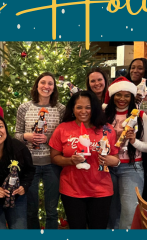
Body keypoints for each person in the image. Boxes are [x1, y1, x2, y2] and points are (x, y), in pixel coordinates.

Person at [49, 91, 119, 229]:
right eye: (79, 107)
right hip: (72, 190)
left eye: (88, 107)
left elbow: (116, 158)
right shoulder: (62, 129)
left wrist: (111, 161)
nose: (83, 111)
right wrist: (70, 161)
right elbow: (54, 158)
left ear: (94, 108)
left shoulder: (107, 129)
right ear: (73, 109)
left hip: (101, 190)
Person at [14, 72, 66, 229]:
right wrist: (26, 136)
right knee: (31, 210)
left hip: (53, 164)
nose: (46, 86)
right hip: (30, 166)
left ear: (54, 87)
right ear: (37, 86)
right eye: (43, 82)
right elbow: (16, 135)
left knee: (52, 211)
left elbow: (65, 136)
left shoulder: (60, 109)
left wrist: (49, 140)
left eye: (50, 83)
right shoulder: (24, 107)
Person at [102, 77, 147, 229]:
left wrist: (133, 141)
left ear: (132, 97)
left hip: (132, 167)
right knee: (110, 211)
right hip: (106, 168)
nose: (122, 99)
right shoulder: (103, 114)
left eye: (126, 95)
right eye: (118, 94)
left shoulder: (141, 116)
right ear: (112, 96)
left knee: (129, 211)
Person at [0, 114, 35, 229]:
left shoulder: (18, 148)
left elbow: (29, 170)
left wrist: (24, 186)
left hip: (16, 199)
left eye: (0, 126)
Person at [127, 58, 147, 202]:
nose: (135, 71)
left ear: (146, 71)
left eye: (139, 68)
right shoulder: (124, 92)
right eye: (132, 67)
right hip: (127, 143)